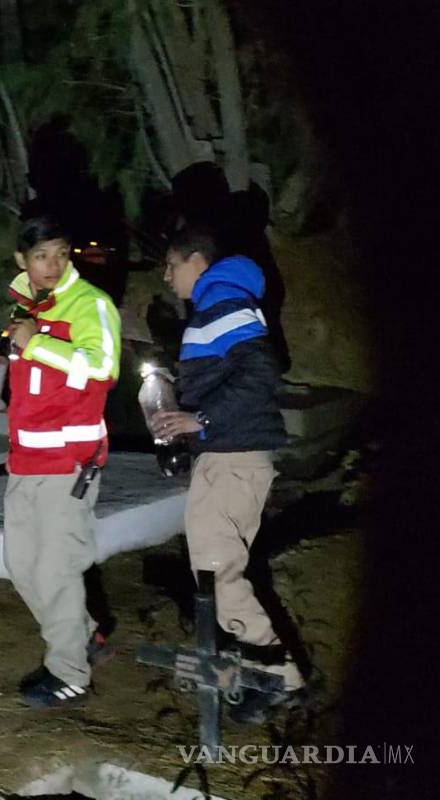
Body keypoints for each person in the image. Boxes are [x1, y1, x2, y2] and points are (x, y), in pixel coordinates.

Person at [152, 226, 304, 724]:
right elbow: (234, 372)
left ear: (196, 260)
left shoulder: (219, 297)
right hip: (228, 455)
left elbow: (260, 373)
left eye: (171, 265)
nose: (167, 277)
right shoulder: (218, 304)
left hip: (232, 455)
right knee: (218, 567)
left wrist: (203, 419)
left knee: (218, 571)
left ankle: (278, 675)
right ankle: (260, 670)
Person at [4, 214, 122, 708]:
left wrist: (38, 344)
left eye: (59, 253)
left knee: (54, 570)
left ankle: (69, 673)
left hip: (69, 461)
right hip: (25, 459)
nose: (51, 265)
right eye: (40, 256)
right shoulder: (25, 306)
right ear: (21, 261)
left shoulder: (89, 303)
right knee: (20, 566)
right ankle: (87, 635)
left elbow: (104, 366)